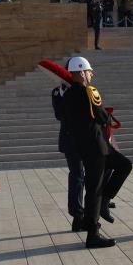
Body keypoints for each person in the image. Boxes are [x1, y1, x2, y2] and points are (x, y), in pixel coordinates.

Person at [61, 56, 131, 248]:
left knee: (124, 165)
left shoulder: (66, 95)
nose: (91, 74)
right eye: (89, 71)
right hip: (96, 148)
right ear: (82, 72)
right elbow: (101, 117)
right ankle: (93, 234)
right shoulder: (88, 92)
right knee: (94, 191)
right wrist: (105, 113)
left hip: (90, 146)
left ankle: (105, 201)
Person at [51, 76, 85, 230]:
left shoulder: (83, 90)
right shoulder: (58, 92)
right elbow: (59, 114)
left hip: (87, 139)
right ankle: (78, 216)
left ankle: (97, 207)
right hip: (71, 140)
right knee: (77, 175)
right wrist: (67, 96)